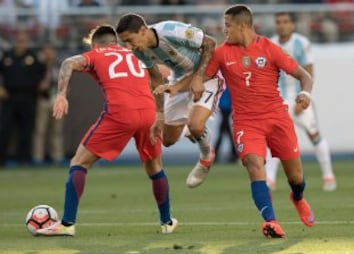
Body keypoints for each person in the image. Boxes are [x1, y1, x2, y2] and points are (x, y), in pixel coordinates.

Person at [36, 24, 177, 236]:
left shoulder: (96, 54)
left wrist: (61, 94)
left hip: (120, 114)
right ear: (116, 41)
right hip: (148, 113)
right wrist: (160, 114)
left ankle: (66, 224)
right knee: (155, 166)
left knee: (79, 162)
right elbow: (160, 75)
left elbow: (68, 63)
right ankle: (167, 222)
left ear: (95, 44)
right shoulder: (135, 53)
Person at [204, 4, 315, 238]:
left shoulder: (269, 49)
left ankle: (298, 197)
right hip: (246, 122)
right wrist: (177, 85)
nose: (224, 30)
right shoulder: (222, 52)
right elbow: (202, 77)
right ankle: (271, 222)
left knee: (295, 177)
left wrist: (305, 94)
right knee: (255, 166)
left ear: (242, 26)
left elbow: (304, 76)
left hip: (277, 118)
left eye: (227, 25)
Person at [116, 14, 224, 188]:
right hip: (179, 80)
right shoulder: (139, 50)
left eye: (130, 40)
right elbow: (156, 79)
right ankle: (191, 132)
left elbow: (210, 43)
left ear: (143, 30)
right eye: (124, 43)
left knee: (196, 124)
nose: (129, 47)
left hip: (206, 75)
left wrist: (197, 78)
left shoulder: (171, 31)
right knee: (167, 140)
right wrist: (159, 115)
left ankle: (206, 157)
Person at [265, 12, 337, 192]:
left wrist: (304, 95)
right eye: (278, 22)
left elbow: (309, 71)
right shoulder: (270, 44)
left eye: (285, 22)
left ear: (292, 25)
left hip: (299, 98)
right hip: (278, 101)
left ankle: (328, 176)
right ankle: (270, 180)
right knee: (273, 140)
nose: (281, 25)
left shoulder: (302, 43)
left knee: (314, 135)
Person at [0, 31, 46, 166]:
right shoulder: (7, 56)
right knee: (5, 128)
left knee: (27, 129)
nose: (20, 44)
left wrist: (41, 84)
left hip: (28, 97)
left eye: (23, 41)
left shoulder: (33, 56)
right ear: (14, 42)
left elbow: (43, 72)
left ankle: (24, 159)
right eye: (18, 41)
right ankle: (2, 159)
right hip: (9, 97)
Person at [32, 43, 65, 165]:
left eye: (50, 51)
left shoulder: (60, 66)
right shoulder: (38, 66)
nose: (49, 54)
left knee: (56, 130)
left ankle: (57, 156)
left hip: (56, 100)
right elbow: (38, 86)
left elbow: (66, 83)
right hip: (43, 99)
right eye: (46, 52)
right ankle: (38, 157)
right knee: (40, 129)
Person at [214, 87, 238, 163]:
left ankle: (215, 154)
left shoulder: (223, 83)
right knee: (225, 131)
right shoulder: (229, 84)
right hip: (227, 107)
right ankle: (234, 155)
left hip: (224, 107)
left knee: (223, 132)